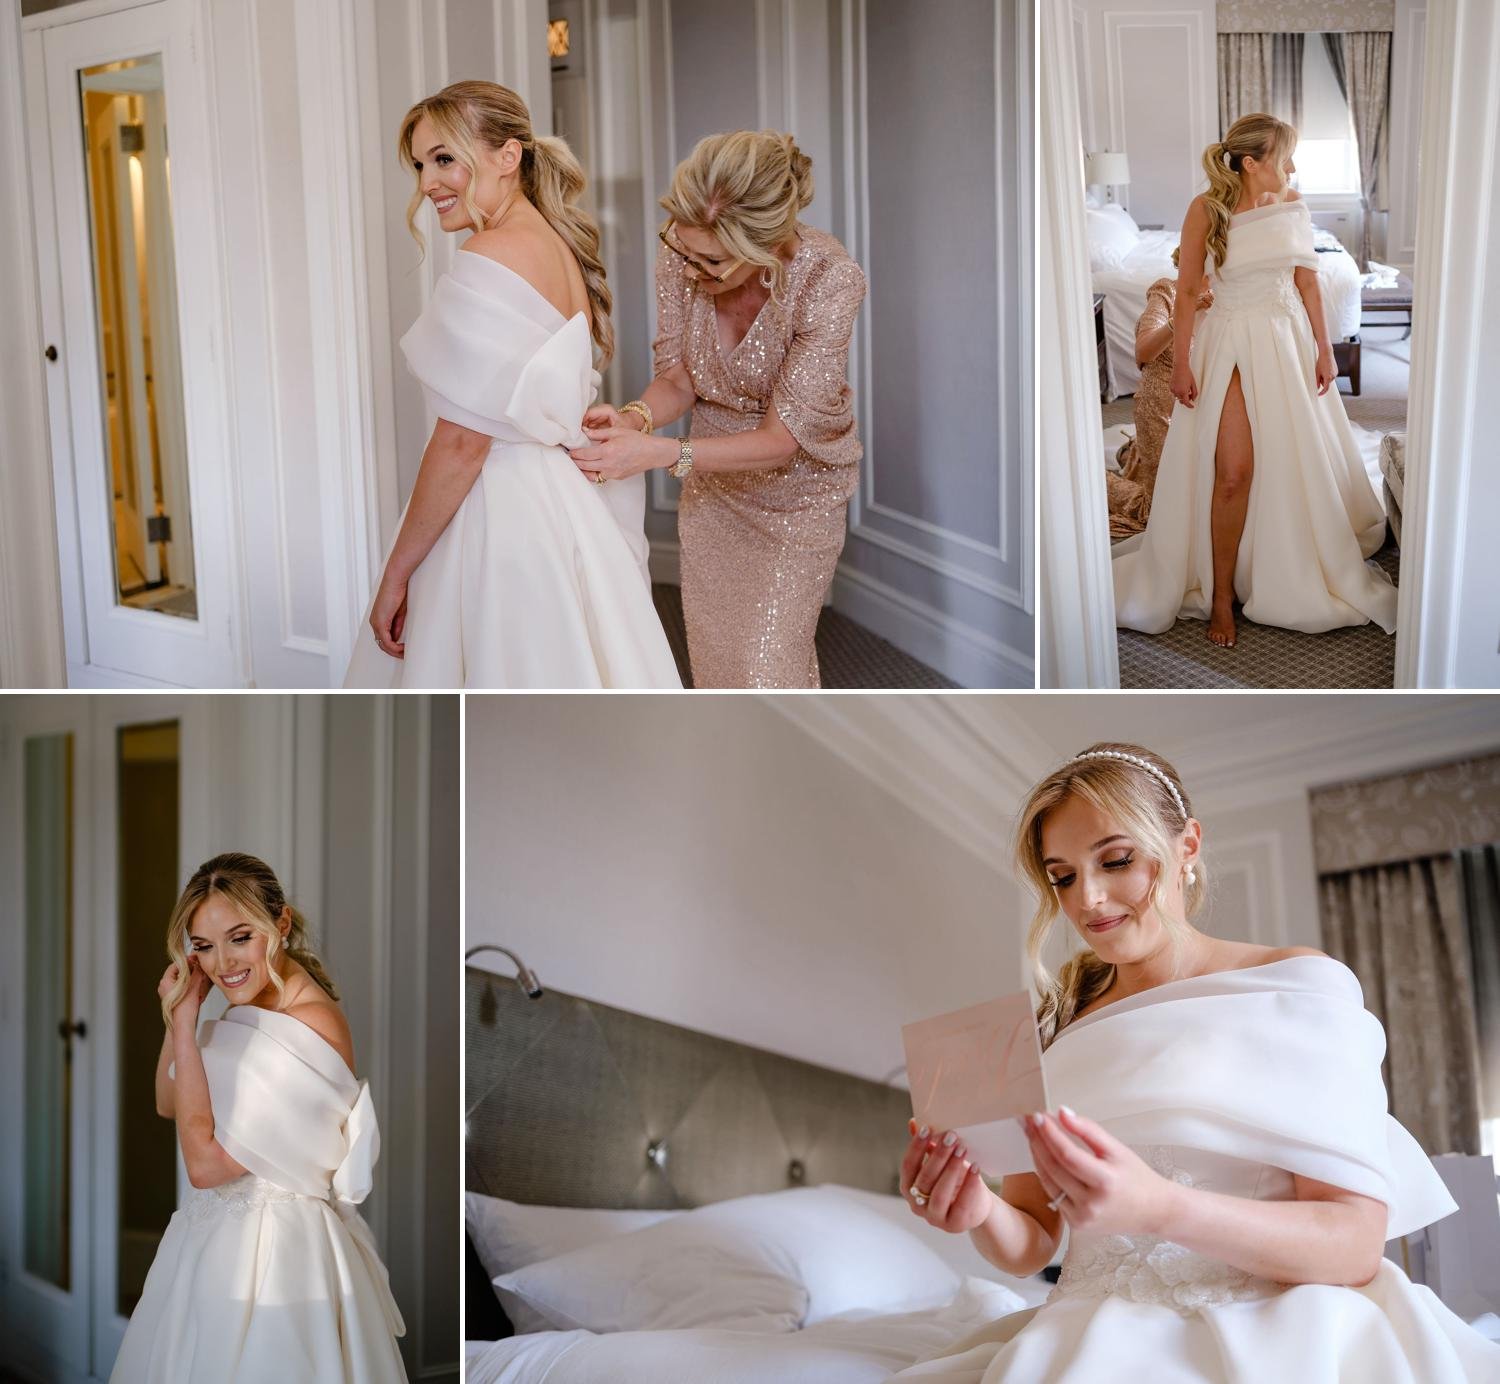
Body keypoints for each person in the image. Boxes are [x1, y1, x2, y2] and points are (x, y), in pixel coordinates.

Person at [891, 744, 1500, 1382]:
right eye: (1063, 876)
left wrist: (1159, 1206)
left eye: (1117, 860)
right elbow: (1035, 1242)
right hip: (1087, 1328)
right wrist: (979, 1212)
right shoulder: (1054, 1022)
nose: (1089, 901)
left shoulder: (1296, 986)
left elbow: (1353, 1245)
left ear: (1187, 846)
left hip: (1278, 1325)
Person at [343, 80, 679, 688]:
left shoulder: (491, 253)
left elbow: (462, 443)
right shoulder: (555, 245)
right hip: (562, 502)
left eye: (444, 158)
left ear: (508, 155)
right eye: (420, 164)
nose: (426, 183)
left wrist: (396, 573)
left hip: (502, 514)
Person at [570, 130, 866, 688]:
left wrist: (657, 453)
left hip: (797, 498)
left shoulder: (827, 280)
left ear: (764, 246)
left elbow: (782, 440)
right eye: (683, 250)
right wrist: (636, 418)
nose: (688, 270)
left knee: (766, 668)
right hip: (712, 495)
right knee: (717, 669)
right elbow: (681, 376)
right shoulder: (682, 254)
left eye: (710, 261)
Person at [111, 853, 406, 1382]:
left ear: (282, 924)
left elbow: (205, 1166)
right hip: (211, 1241)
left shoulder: (309, 1024)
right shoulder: (246, 1006)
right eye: (203, 946)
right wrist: (181, 1016)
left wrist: (185, 1023)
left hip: (275, 1255)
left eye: (240, 937)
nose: (223, 964)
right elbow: (167, 1101)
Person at [1111, 114, 1395, 648]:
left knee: (1290, 458)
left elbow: (1308, 281)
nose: (1291, 168)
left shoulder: (1292, 202)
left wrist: (1325, 351)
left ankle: (1275, 565)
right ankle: (1220, 595)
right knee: (1233, 471)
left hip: (1285, 341)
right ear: (1251, 164)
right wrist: (1187, 362)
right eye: (1284, 158)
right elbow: (1191, 288)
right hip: (1231, 344)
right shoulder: (1206, 210)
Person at [1107, 254, 1212, 540]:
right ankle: (1096, 481)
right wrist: (1183, 317)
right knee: (1163, 511)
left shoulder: (1230, 296)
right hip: (1161, 407)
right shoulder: (1167, 291)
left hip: (1204, 409)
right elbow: (1143, 352)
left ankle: (1135, 456)